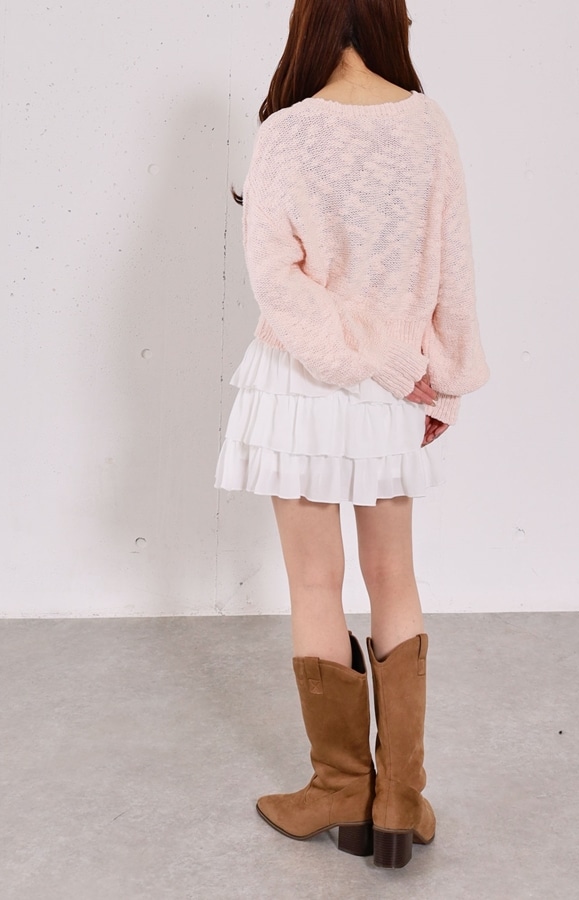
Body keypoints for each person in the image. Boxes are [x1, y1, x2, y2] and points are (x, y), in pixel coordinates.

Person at [214, 0, 489, 869]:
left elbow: (276, 281)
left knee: (314, 584)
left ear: (310, 21)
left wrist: (357, 357)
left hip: (301, 382)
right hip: (389, 389)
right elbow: (454, 268)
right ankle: (400, 795)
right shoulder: (428, 124)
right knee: (395, 577)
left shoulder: (286, 131)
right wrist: (435, 378)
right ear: (389, 19)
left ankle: (339, 788)